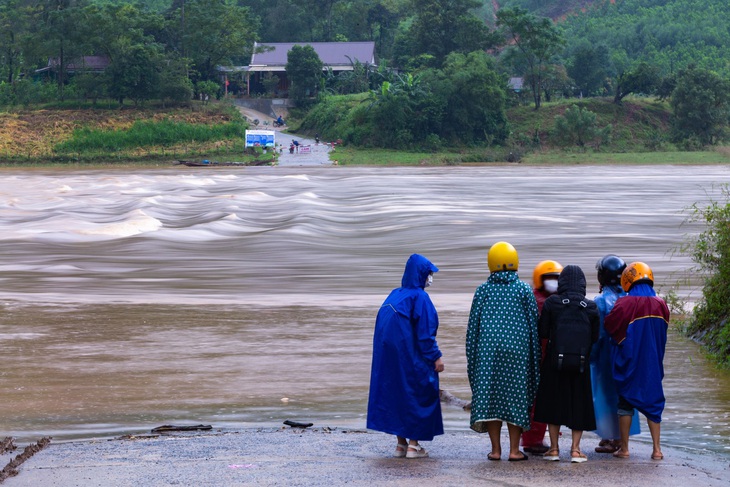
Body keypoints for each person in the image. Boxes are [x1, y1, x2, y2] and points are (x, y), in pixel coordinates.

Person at [466, 241, 540, 462]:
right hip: (517, 353)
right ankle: (514, 451)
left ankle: (496, 450)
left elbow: (473, 329)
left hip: (488, 353)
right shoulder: (524, 289)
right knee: (515, 399)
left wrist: (473, 357)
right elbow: (533, 326)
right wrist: (535, 359)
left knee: (491, 400)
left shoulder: (483, 290)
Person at [367, 254, 444, 459]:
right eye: (429, 273)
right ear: (421, 274)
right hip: (411, 355)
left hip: (389, 359)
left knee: (397, 395)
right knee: (418, 392)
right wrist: (436, 357)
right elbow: (425, 334)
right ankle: (414, 446)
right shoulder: (420, 298)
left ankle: (400, 445)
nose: (430, 277)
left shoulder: (395, 294)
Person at [533, 265, 600, 463]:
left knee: (554, 403)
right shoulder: (591, 307)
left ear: (562, 282)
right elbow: (595, 337)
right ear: (583, 284)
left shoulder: (553, 303)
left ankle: (553, 449)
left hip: (554, 362)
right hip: (580, 363)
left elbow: (543, 332)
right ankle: (576, 450)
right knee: (578, 404)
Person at [604, 262, 669, 460]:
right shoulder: (661, 304)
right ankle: (657, 450)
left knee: (625, 403)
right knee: (653, 402)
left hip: (630, 360)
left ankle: (624, 449)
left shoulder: (625, 303)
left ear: (628, 280)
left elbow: (610, 326)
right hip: (652, 363)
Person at [591, 255, 640, 453]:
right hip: (628, 354)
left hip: (606, 354)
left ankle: (612, 437)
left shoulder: (600, 302)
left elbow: (598, 334)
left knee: (605, 395)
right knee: (624, 395)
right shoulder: (632, 299)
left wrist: (591, 358)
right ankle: (621, 437)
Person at [521, 260, 562, 455]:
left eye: (556, 278)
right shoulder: (538, 300)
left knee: (543, 399)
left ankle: (538, 436)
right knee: (538, 400)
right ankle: (533, 439)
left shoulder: (539, 299)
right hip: (541, 357)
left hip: (546, 357)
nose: (553, 282)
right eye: (550, 278)